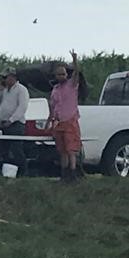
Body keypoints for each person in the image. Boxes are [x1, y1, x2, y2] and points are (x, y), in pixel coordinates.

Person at [49, 50, 82, 182]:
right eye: (59, 74)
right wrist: (51, 121)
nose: (61, 76)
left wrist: (74, 60)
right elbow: (53, 106)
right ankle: (64, 175)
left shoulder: (72, 85)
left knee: (71, 150)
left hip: (70, 121)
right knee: (62, 150)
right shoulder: (55, 89)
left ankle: (73, 174)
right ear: (56, 76)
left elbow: (77, 73)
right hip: (59, 122)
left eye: (63, 74)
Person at [0, 66, 30, 173]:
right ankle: (7, 172)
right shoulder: (4, 90)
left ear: (12, 77)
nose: (3, 80)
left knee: (16, 149)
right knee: (4, 149)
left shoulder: (21, 90)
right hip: (3, 124)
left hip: (16, 124)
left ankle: (23, 172)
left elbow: (22, 107)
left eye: (5, 77)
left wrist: (11, 120)